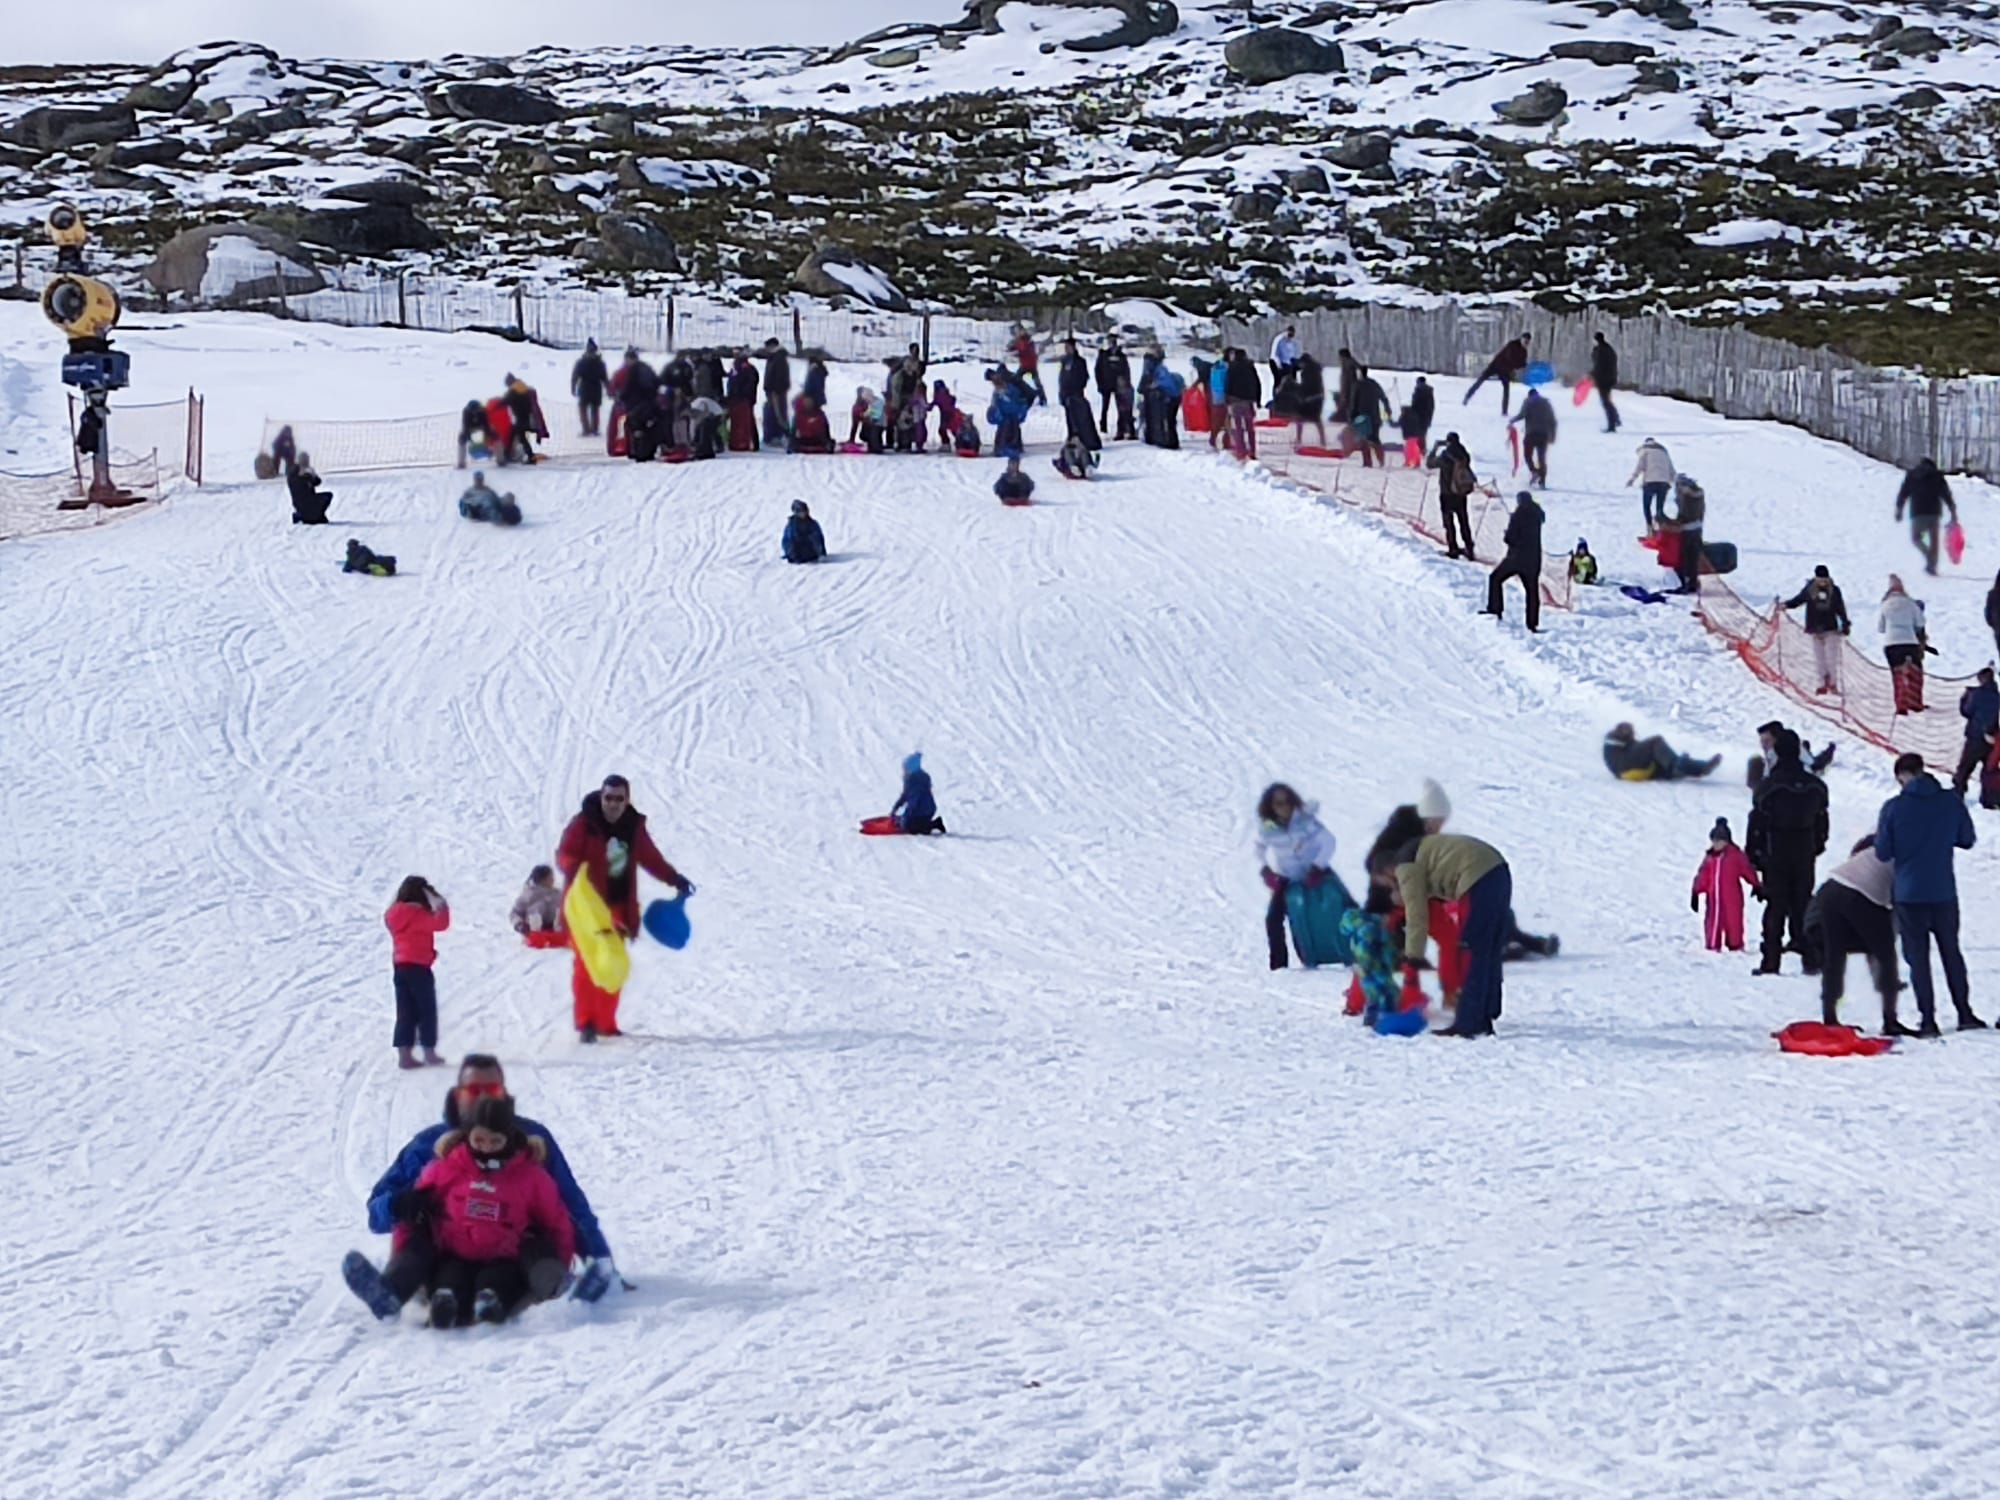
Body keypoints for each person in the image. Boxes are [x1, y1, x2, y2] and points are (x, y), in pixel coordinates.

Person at [356, 1054, 613, 1312]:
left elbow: (569, 1205)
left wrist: (598, 1260)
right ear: (458, 1095)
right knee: (418, 1245)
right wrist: (398, 1205)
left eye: (492, 1089)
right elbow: (376, 1213)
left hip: (510, 1253)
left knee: (537, 1249)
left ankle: (549, 1285)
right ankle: (395, 1292)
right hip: (447, 1254)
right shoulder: (429, 1145)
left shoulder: (531, 1139)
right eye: (474, 1090)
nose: (483, 1097)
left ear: (504, 1094)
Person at [351, 1095, 578, 1329]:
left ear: (509, 1140)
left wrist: (558, 1262)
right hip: (455, 1255)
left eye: (495, 1141)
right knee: (449, 1280)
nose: (487, 1147)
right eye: (480, 1140)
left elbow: (556, 1222)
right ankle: (429, 1301)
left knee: (496, 1281)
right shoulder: (446, 1169)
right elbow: (411, 1222)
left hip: (505, 1256)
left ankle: (492, 1304)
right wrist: (405, 1262)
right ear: (467, 1136)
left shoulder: (530, 1176)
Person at [556, 775, 691, 1043]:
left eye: (619, 798)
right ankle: (587, 1023)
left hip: (618, 906)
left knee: (614, 963)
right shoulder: (584, 824)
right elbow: (564, 854)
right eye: (609, 797)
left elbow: (650, 857)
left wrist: (674, 878)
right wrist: (573, 867)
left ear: (627, 799)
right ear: (601, 796)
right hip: (587, 909)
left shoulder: (633, 826)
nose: (613, 804)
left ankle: (606, 1023)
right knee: (586, 965)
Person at [1875, 752, 1982, 1033]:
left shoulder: (1894, 808)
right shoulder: (1951, 802)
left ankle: (1929, 1019)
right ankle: (1965, 1012)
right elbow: (1967, 840)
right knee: (1951, 952)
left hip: (1909, 893)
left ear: (1902, 776)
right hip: (1943, 890)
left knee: (1918, 958)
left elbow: (1883, 852)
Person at [1397, 829, 1512, 1037]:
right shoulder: (1423, 854)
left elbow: (1416, 915)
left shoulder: (1405, 868)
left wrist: (1412, 956)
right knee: (1489, 947)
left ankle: (1470, 1022)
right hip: (1498, 870)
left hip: (1477, 877)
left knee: (1470, 949)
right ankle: (1488, 1009)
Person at [1805, 835, 1909, 1034]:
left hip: (1831, 888)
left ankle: (1830, 1017)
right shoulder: (1907, 856)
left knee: (1834, 955)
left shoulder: (1875, 845)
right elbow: (1899, 902)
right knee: (1886, 954)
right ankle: (1890, 1021)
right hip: (1860, 894)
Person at [1747, 728, 1829, 977]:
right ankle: (1811, 958)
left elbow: (1757, 824)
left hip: (1776, 852)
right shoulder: (1815, 786)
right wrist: (1816, 846)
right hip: (1804, 851)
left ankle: (1771, 961)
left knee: (1775, 906)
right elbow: (1822, 822)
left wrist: (1754, 856)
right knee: (1803, 903)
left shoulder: (1768, 786)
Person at [1255, 783, 1339, 971]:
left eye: (1287, 802)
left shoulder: (1306, 822)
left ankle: (1355, 954)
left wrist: (1318, 866)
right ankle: (1279, 967)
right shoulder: (1267, 829)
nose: (1284, 807)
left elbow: (1329, 842)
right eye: (1278, 804)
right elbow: (1258, 848)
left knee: (1342, 909)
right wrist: (1266, 870)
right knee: (1273, 919)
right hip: (1288, 878)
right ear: (1270, 807)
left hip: (1317, 874)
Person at [384, 875, 449, 1070]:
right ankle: (429, 1051)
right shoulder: (419, 915)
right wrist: (441, 903)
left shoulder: (393, 914)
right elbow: (441, 924)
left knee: (405, 1011)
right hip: (419, 966)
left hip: (400, 966)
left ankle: (404, 1054)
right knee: (426, 1010)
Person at [1780, 565, 1851, 695]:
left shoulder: (1834, 591)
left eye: (1825, 579)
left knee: (1832, 659)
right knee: (1819, 659)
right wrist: (1786, 605)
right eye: (1820, 579)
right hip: (1814, 628)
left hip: (1831, 629)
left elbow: (1840, 608)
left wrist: (1845, 624)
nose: (1823, 582)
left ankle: (1833, 683)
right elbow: (1798, 600)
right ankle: (1821, 684)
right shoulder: (1809, 589)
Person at [1691, 818, 1760, 952]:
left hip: (1732, 897)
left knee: (1734, 922)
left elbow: (1747, 870)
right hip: (1714, 898)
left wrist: (1756, 884)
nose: (1716, 844)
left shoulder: (1736, 856)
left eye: (1719, 841)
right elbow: (1703, 875)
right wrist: (1696, 891)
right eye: (1714, 841)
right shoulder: (1710, 858)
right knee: (1713, 921)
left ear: (1727, 841)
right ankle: (1712, 944)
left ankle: (1735, 945)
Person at [1484, 490, 1545, 632]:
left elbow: (1510, 538)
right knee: (1532, 592)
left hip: (1516, 558)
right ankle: (1532, 623)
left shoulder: (1518, 515)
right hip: (1534, 559)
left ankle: (1495, 609)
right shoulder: (1537, 516)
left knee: (1495, 578)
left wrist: (1506, 535)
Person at [1895, 458, 1958, 577]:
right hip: (1934, 513)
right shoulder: (1937, 476)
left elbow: (1903, 493)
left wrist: (1899, 509)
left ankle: (1929, 558)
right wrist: (1952, 509)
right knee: (1934, 542)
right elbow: (1946, 494)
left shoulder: (1912, 475)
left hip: (1918, 512)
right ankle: (1932, 565)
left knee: (1916, 538)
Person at [1879, 574, 1929, 714]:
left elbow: (1881, 628)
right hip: (1909, 641)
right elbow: (1920, 623)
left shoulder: (1885, 605)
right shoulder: (1910, 604)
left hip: (1891, 643)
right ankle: (1915, 703)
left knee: (1897, 675)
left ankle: (1901, 705)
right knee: (1915, 673)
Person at [1601, 723, 1721, 781]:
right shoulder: (1612, 740)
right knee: (1656, 742)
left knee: (1663, 762)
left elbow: (1637, 748)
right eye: (1628, 731)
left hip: (1627, 770)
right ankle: (1677, 765)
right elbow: (1627, 746)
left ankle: (1701, 768)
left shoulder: (1624, 744)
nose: (1631, 734)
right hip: (1623, 767)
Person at [1429, 432, 1481, 562]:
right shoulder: (1464, 455)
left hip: (1447, 493)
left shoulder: (1446, 456)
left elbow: (1429, 464)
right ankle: (1469, 548)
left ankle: (1453, 548)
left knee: (1449, 522)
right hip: (1461, 493)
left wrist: (1435, 448)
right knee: (1464, 521)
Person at [1954, 667, 1999, 796]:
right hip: (1991, 738)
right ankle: (1989, 797)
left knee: (1965, 768)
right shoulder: (1997, 696)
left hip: (1975, 737)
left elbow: (1966, 711)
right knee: (1988, 770)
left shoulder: (1977, 694)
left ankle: (1959, 793)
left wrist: (1964, 699)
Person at [1463, 332, 1530, 414]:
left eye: (1527, 342)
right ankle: (1467, 397)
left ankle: (1504, 411)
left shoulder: (1524, 352)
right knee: (1481, 380)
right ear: (1521, 339)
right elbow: (1510, 358)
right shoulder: (1512, 345)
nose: (1526, 343)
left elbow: (1521, 364)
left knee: (1506, 389)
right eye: (1525, 341)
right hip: (1496, 365)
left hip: (1505, 371)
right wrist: (1519, 365)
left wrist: (1523, 366)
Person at [1057, 338, 1101, 457]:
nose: (1066, 349)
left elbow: (1084, 377)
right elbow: (1062, 377)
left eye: (1068, 347)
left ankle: (1082, 438)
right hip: (1066, 394)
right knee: (1069, 418)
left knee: (1079, 417)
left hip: (1076, 394)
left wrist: (1076, 388)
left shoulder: (1080, 361)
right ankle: (1071, 436)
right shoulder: (1064, 361)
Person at [1663, 473, 1705, 594]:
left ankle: (1684, 583)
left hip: (1687, 530)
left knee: (1683, 558)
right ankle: (1692, 582)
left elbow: (1685, 515)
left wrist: (1672, 524)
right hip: (1697, 528)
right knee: (1693, 558)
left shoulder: (1685, 495)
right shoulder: (1699, 494)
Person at [1510, 387, 1557, 489]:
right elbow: (1552, 420)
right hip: (1544, 434)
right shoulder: (1546, 403)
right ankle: (1542, 482)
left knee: (1527, 455)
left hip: (1531, 433)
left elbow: (1522, 415)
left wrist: (1512, 421)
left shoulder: (1528, 402)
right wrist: (1553, 436)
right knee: (1542, 459)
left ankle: (1534, 471)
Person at [1627, 437, 1675, 534]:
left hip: (1650, 482)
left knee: (1647, 506)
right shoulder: (1664, 452)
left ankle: (1649, 528)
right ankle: (1661, 529)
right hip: (1664, 483)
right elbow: (1671, 470)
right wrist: (1675, 482)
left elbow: (1640, 467)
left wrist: (1632, 479)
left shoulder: (1645, 450)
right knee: (1659, 508)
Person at [1223, 348, 1261, 459]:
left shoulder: (1232, 367)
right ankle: (1253, 451)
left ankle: (1241, 451)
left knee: (1238, 427)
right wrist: (1258, 399)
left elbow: (1228, 384)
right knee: (1250, 427)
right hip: (1249, 401)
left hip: (1235, 400)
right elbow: (1257, 383)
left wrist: (1227, 399)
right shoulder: (1251, 367)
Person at [893, 752, 944, 834]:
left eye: (906, 769)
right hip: (929, 809)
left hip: (921, 811)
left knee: (908, 826)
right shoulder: (922, 777)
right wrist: (896, 808)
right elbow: (905, 796)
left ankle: (933, 825)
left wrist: (905, 817)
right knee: (910, 822)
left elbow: (914, 802)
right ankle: (932, 824)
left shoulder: (912, 781)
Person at [501, 375, 548, 464]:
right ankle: (510, 454)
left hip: (521, 418)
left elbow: (504, 402)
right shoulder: (524, 387)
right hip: (531, 418)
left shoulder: (512, 391)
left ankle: (528, 456)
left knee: (520, 436)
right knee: (515, 432)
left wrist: (495, 404)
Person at [1349, 365, 1390, 467]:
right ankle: (1381, 461)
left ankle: (1367, 462)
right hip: (1375, 416)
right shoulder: (1374, 384)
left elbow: (1354, 402)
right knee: (1375, 439)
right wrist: (1387, 409)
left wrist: (1352, 416)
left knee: (1364, 440)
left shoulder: (1358, 385)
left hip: (1362, 416)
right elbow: (1383, 397)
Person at [986, 368, 1031, 459]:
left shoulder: (1012, 389)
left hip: (1013, 414)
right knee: (1004, 427)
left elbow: (1020, 401)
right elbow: (995, 405)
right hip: (1004, 416)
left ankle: (1012, 446)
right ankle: (1001, 447)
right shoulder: (997, 393)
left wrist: (1021, 411)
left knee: (1012, 427)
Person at [510, 865, 562, 936]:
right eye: (550, 877)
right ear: (542, 880)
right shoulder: (529, 895)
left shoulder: (557, 894)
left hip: (556, 930)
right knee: (538, 906)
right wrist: (520, 925)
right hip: (533, 932)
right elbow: (515, 913)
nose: (553, 880)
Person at [1095, 337, 1132, 436]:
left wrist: (1126, 383)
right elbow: (1097, 370)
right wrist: (1099, 384)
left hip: (1118, 386)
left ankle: (1121, 428)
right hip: (1106, 385)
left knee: (1121, 408)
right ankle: (1103, 426)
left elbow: (1126, 370)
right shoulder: (1103, 355)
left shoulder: (1121, 356)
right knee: (1105, 407)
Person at [1289, 353, 1327, 447]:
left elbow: (1306, 386)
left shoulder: (1306, 372)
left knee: (1300, 418)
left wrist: (1298, 391)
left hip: (1309, 398)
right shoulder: (1317, 370)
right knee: (1317, 419)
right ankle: (1323, 439)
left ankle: (1298, 438)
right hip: (1319, 396)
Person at [571, 339, 608, 436]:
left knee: (583, 409)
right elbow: (604, 377)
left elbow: (575, 376)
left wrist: (573, 387)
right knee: (595, 410)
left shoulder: (581, 362)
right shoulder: (600, 363)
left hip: (584, 388)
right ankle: (594, 429)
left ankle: (586, 429)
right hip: (596, 388)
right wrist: (608, 388)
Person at [760, 338, 792, 446]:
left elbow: (779, 376)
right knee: (772, 413)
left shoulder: (779, 359)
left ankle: (781, 436)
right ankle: (773, 436)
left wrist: (776, 390)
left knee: (778, 414)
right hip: (772, 392)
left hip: (776, 392)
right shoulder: (773, 358)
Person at [725, 355, 760, 452]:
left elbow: (751, 383)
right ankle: (737, 442)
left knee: (747, 422)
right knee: (740, 422)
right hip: (737, 400)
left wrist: (742, 395)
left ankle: (747, 443)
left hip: (744, 400)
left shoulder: (748, 369)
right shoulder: (735, 368)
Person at [1399, 377, 1435, 465]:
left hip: (1418, 417)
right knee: (1422, 436)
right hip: (1426, 417)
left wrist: (1407, 410)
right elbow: (1432, 407)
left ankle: (1418, 456)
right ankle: (1422, 453)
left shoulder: (1419, 391)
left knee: (1416, 438)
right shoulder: (1429, 392)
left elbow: (1415, 405)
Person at [287, 455, 331, 525]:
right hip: (304, 502)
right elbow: (300, 482)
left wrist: (313, 475)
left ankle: (306, 516)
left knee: (326, 496)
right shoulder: (298, 473)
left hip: (305, 501)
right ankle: (309, 516)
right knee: (327, 496)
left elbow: (318, 482)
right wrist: (309, 476)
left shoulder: (302, 472)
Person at [1589, 331, 1620, 432]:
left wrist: (1592, 374)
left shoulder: (1601, 351)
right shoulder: (1609, 349)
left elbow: (1599, 365)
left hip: (1603, 379)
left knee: (1605, 402)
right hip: (1609, 378)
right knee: (1607, 400)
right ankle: (1615, 419)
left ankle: (1612, 424)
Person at [1008, 326, 1045, 403]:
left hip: (1031, 365)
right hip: (1024, 365)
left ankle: (1043, 398)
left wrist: (1019, 354)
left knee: (1037, 383)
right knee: (1016, 380)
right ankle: (1020, 395)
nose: (1019, 333)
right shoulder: (1019, 341)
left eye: (1020, 331)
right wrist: (1011, 348)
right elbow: (1016, 347)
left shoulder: (1029, 341)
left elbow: (1028, 352)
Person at [783, 499, 826, 564]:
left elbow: (819, 538)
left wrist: (822, 552)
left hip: (812, 554)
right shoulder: (792, 525)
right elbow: (788, 542)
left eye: (804, 511)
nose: (803, 514)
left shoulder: (812, 523)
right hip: (797, 555)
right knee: (793, 539)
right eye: (801, 512)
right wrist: (793, 556)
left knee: (813, 535)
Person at [456, 400, 493, 470]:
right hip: (470, 427)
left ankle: (501, 460)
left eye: (476, 410)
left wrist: (487, 436)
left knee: (494, 434)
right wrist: (470, 439)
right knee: (461, 438)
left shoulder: (483, 410)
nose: (475, 412)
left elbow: (486, 424)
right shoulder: (466, 411)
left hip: (482, 425)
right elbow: (465, 426)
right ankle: (461, 463)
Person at [1206, 352, 1230, 449]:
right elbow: (1226, 383)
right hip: (1224, 397)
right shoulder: (1225, 369)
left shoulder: (1214, 369)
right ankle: (1226, 442)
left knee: (1216, 421)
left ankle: (1213, 438)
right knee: (1227, 422)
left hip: (1215, 397)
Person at [1333, 347, 1361, 423]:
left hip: (1349, 388)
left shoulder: (1349, 362)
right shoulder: (1345, 363)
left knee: (1350, 406)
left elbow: (1359, 368)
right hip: (1346, 387)